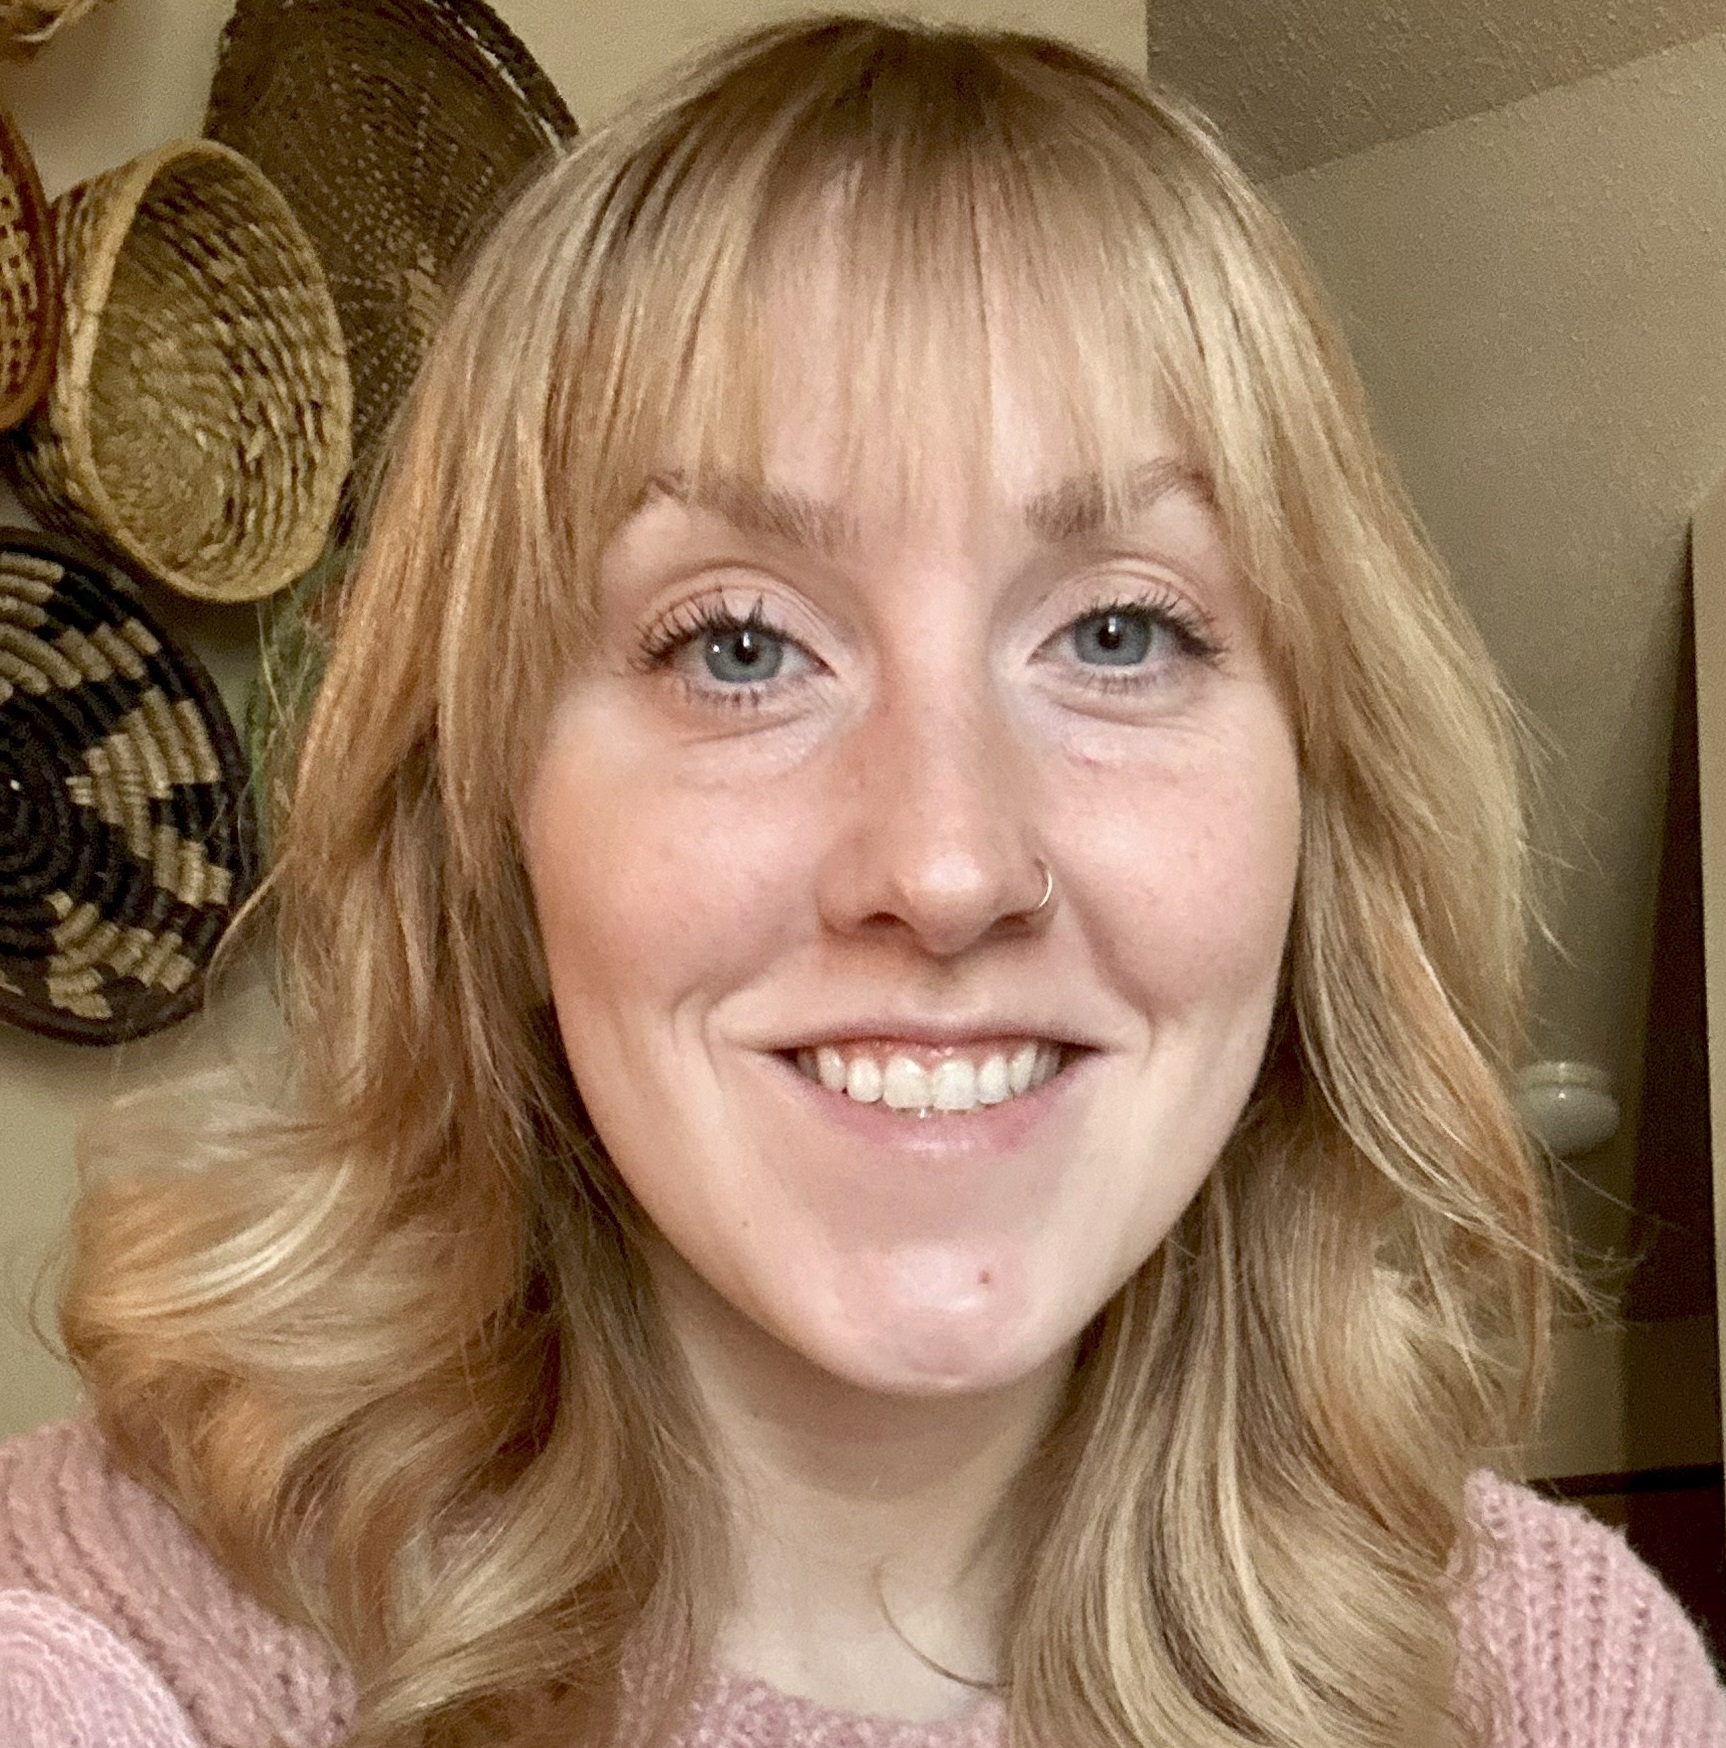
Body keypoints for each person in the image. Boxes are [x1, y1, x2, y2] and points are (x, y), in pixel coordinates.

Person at [2, 14, 1721, 1748]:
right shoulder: (111, 1637)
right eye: (738, 645)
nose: (948, 864)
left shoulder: (1552, 1682)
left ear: (1314, 809)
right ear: (489, 836)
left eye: (1117, 633)